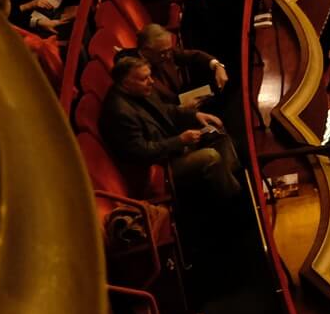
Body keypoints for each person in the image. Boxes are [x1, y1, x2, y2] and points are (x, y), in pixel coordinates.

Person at [99, 55, 244, 203]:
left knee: (217, 132)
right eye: (144, 78)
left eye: (150, 76)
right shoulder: (120, 113)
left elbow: (165, 110)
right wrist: (180, 140)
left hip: (169, 144)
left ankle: (231, 180)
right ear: (126, 82)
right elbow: (142, 152)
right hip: (160, 166)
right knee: (211, 157)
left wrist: (196, 115)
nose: (151, 81)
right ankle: (235, 200)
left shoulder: (140, 89)